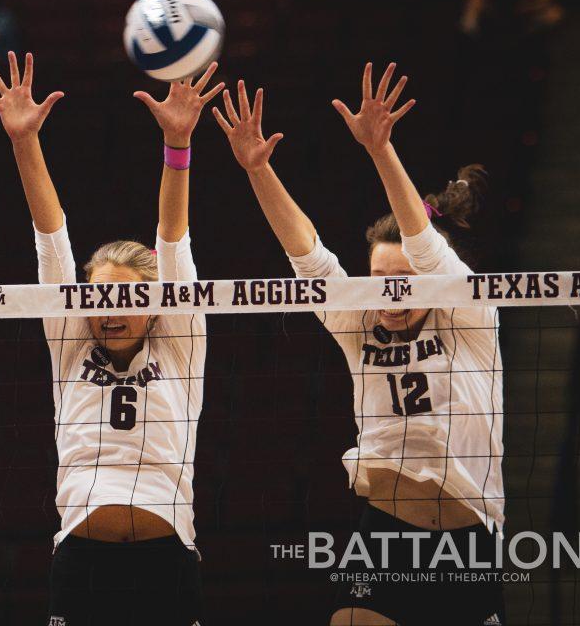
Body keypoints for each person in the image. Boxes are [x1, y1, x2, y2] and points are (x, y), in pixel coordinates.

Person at [212, 63, 504, 626]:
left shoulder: (469, 318)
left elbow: (423, 246)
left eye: (404, 283)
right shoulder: (356, 322)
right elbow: (308, 254)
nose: (389, 297)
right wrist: (257, 170)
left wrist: (380, 150)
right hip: (383, 532)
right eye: (378, 283)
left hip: (468, 541)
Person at [0, 52, 219, 626]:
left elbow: (173, 239)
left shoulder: (179, 342)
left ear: (153, 302)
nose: (109, 312)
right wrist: (23, 142)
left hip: (166, 560)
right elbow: (50, 239)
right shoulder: (70, 341)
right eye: (99, 299)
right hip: (82, 563)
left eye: (126, 299)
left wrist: (178, 145)